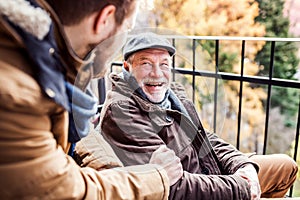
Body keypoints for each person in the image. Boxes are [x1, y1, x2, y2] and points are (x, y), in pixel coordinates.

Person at [0, 1, 183, 199]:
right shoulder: (15, 92)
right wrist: (156, 177)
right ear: (104, 20)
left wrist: (110, 167)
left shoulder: (43, 60)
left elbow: (77, 140)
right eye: (126, 29)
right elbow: (62, 190)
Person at [97, 32, 299, 199]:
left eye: (164, 64)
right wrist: (240, 186)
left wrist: (242, 166)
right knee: (253, 185)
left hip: (210, 170)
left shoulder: (170, 94)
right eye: (146, 63)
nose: (157, 73)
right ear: (127, 67)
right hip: (193, 189)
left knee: (285, 166)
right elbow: (171, 186)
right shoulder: (122, 111)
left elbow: (203, 137)